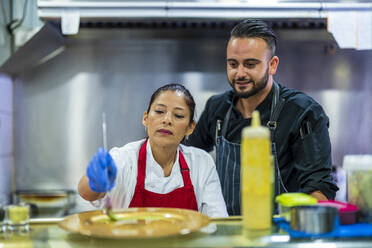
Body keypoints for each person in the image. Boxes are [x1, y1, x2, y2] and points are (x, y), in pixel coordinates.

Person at [186, 19, 338, 215]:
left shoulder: (302, 112)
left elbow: (320, 189)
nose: (239, 73)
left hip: (281, 233)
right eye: (233, 64)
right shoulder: (217, 108)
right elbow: (188, 159)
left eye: (250, 64)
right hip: (225, 231)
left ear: (272, 65)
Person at [78, 83, 228, 217]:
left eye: (178, 115)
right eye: (159, 111)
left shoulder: (201, 163)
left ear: (190, 128)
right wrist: (94, 181)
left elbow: (218, 223)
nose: (167, 120)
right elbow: (87, 193)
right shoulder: (125, 158)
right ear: (145, 118)